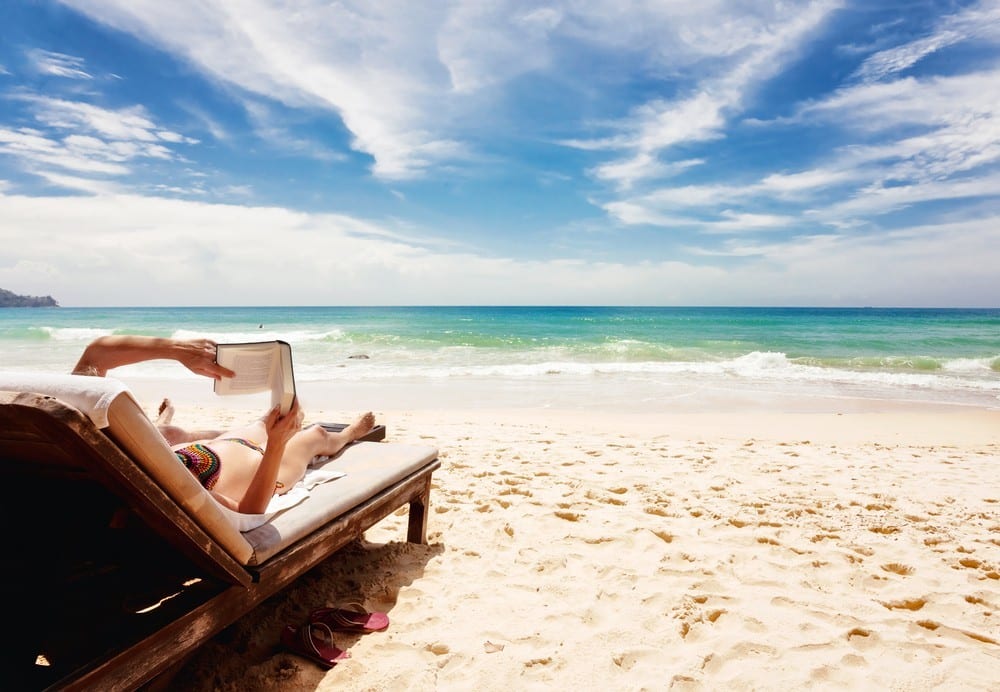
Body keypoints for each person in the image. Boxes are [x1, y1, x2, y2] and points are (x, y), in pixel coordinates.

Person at [73, 335, 375, 515]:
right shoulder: (168, 493)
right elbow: (249, 512)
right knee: (316, 435)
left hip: (208, 450)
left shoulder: (83, 443)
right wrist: (277, 444)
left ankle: (169, 425)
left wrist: (179, 350)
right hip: (266, 468)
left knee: (260, 420)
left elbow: (95, 354)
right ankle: (347, 435)